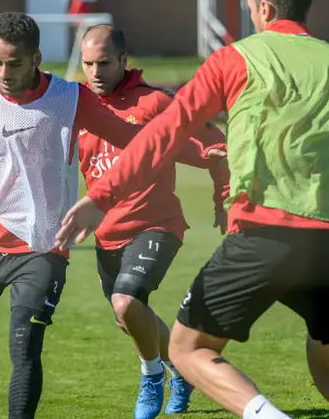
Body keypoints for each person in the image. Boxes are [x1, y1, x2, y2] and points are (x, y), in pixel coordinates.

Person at [55, 0, 329, 418]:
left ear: (263, 8)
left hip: (264, 232)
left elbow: (165, 134)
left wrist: (100, 195)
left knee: (188, 349)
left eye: (250, 6)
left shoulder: (234, 59)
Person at [0, 12, 224, 419]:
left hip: (45, 247)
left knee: (26, 349)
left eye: (14, 63)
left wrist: (203, 156)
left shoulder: (70, 99)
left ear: (36, 58)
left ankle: (148, 373)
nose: (3, 73)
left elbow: (137, 142)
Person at [78, 24, 229, 418]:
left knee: (127, 303)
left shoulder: (156, 102)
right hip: (106, 234)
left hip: (156, 224)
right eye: (88, 64)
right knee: (130, 317)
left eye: (104, 63)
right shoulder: (79, 108)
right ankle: (183, 369)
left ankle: (151, 375)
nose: (95, 72)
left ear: (124, 61)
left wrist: (223, 195)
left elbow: (215, 145)